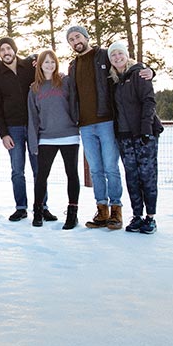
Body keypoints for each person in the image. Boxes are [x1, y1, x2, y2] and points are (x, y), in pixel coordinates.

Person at [67, 25, 153, 230]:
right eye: (71, 39)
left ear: (86, 37)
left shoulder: (104, 56)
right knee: (96, 169)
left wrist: (147, 69)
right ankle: (102, 209)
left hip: (106, 121)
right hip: (85, 125)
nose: (75, 41)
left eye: (78, 36)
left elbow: (124, 63)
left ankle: (116, 209)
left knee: (111, 168)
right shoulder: (72, 65)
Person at [0, 37, 58, 223]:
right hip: (13, 129)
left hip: (35, 126)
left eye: (8, 48)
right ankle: (21, 207)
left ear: (14, 50)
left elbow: (45, 69)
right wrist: (3, 134)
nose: (6, 52)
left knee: (39, 169)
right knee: (17, 170)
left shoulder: (29, 67)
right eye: (2, 50)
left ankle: (42, 206)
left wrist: (37, 57)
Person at [108, 41, 163, 234]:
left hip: (144, 135)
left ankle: (151, 217)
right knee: (132, 177)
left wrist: (146, 129)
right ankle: (137, 216)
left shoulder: (139, 74)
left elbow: (149, 101)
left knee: (147, 175)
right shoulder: (114, 80)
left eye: (119, 54)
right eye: (113, 55)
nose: (117, 58)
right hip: (124, 137)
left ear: (126, 55)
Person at [27, 50, 81, 229]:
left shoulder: (65, 82)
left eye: (52, 62)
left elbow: (75, 101)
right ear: (40, 65)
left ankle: (72, 213)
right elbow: (32, 118)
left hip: (69, 135)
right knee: (41, 176)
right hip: (46, 137)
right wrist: (34, 141)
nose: (49, 65)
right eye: (46, 62)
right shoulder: (34, 89)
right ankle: (38, 211)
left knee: (71, 174)